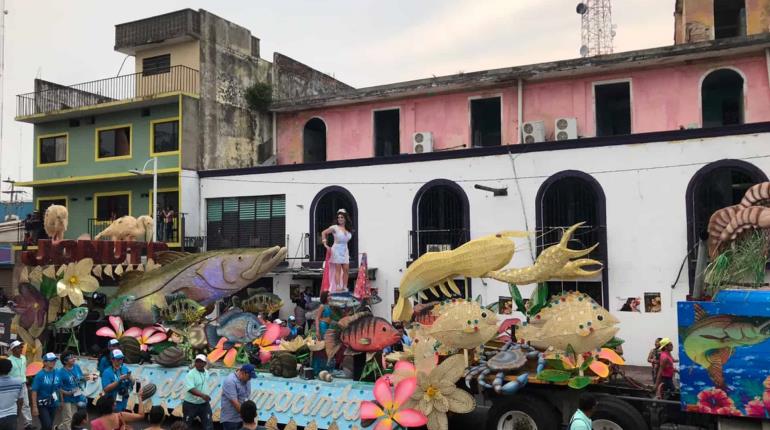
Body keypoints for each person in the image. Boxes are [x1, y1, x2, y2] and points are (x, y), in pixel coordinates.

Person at [320, 209, 353, 293]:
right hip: (337, 249)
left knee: (346, 269)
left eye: (342, 217)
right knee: (338, 269)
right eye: (338, 217)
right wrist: (325, 244)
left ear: (345, 218)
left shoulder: (348, 229)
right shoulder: (335, 227)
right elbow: (324, 233)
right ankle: (338, 286)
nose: (340, 219)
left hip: (345, 249)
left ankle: (345, 287)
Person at [55, 352, 87, 430]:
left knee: (73, 418)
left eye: (73, 357)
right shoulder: (60, 372)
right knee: (68, 418)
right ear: (65, 361)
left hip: (76, 396)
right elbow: (57, 387)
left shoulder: (76, 367)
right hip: (66, 398)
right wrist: (64, 396)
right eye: (71, 358)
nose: (73, 359)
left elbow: (81, 379)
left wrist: (85, 378)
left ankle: (59, 428)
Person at [30, 353, 61, 430]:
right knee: (47, 426)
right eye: (50, 361)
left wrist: (60, 401)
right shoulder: (40, 375)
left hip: (53, 402)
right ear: (44, 362)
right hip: (42, 404)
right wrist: (34, 407)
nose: (53, 362)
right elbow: (34, 391)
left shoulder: (57, 372)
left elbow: (59, 388)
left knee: (48, 425)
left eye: (54, 360)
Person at [220, 364, 256, 430]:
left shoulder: (247, 380)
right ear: (243, 372)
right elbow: (234, 403)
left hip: (242, 418)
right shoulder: (230, 381)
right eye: (249, 376)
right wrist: (248, 417)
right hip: (231, 419)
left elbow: (247, 399)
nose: (250, 379)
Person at [183, 355, 213, 430]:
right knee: (186, 426)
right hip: (190, 404)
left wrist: (204, 396)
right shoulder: (190, 374)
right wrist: (203, 395)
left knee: (208, 426)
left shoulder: (206, 372)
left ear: (205, 363)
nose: (199, 364)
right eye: (197, 361)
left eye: (201, 362)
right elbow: (190, 389)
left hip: (204, 404)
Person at [8, 341, 32, 430]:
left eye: (21, 347)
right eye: (18, 347)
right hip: (13, 386)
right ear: (13, 349)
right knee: (14, 405)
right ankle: (15, 423)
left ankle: (28, 424)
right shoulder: (9, 360)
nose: (21, 349)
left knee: (26, 404)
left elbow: (24, 370)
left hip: (23, 384)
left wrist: (25, 378)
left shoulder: (23, 358)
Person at [0, 358, 25, 430]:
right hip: (12, 415)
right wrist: (17, 413)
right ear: (10, 369)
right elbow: (20, 401)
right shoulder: (18, 382)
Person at [313, 292, 332, 375]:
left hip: (328, 326)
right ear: (325, 297)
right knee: (322, 346)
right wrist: (317, 331)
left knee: (327, 347)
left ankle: (326, 367)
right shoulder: (322, 306)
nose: (330, 297)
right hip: (322, 326)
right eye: (328, 296)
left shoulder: (330, 306)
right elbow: (317, 318)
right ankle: (319, 368)